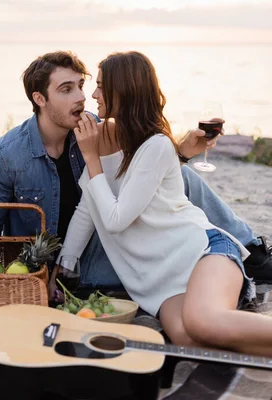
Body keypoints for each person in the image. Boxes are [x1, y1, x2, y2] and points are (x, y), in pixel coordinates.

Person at [0, 50, 272, 286]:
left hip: (103, 239)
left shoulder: (99, 129)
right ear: (40, 99)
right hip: (55, 261)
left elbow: (143, 172)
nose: (81, 97)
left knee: (183, 174)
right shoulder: (3, 157)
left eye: (81, 86)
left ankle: (253, 253)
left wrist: (179, 153)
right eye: (66, 89)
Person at [56, 51, 272, 355]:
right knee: (187, 338)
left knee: (204, 323)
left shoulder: (155, 145)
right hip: (159, 280)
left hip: (202, 252)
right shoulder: (104, 136)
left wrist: (90, 158)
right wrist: (65, 264)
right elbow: (87, 208)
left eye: (102, 86)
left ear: (125, 89)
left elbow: (116, 221)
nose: (93, 94)